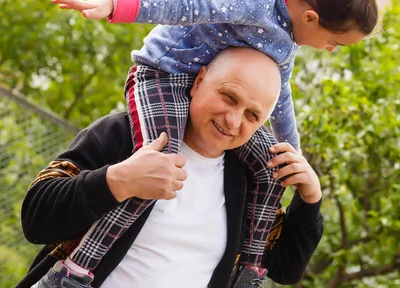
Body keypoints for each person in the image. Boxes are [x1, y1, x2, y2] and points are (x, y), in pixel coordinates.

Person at [48, 0, 378, 284]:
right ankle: (78, 272)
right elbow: (188, 4)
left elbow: (282, 100)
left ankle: (249, 274)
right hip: (164, 76)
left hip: (202, 87)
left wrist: (296, 159)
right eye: (335, 43)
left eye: (251, 115)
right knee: (157, 164)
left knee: (270, 168)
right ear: (310, 17)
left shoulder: (285, 44)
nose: (332, 50)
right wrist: (115, 4)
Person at [17, 48, 324, 288]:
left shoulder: (247, 182)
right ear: (200, 80)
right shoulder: (125, 135)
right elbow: (36, 218)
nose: (233, 120)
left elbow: (285, 269)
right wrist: (118, 181)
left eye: (252, 115)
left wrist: (310, 200)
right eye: (228, 96)